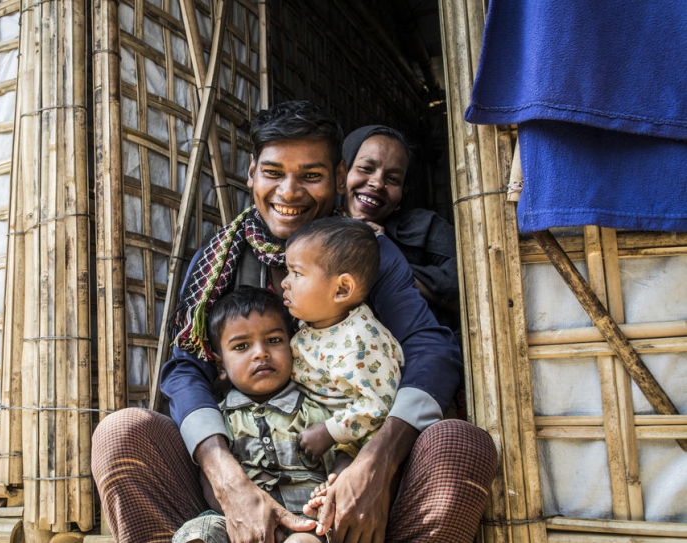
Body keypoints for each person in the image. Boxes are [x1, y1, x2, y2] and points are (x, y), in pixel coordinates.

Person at [92, 100, 497, 543]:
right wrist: (228, 481)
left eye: (311, 175)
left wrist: (376, 464)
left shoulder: (364, 254)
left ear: (340, 178)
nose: (288, 192)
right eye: (273, 173)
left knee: (461, 444)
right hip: (241, 472)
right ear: (251, 174)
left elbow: (430, 349)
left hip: (347, 484)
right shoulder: (217, 263)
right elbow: (186, 367)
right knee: (121, 434)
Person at [173, 286, 344, 543]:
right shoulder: (218, 420)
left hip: (307, 522)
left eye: (274, 340)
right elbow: (212, 480)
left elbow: (342, 459)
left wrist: (329, 493)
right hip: (239, 525)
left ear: (293, 348)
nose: (261, 353)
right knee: (200, 533)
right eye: (242, 346)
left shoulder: (315, 409)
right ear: (220, 365)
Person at [282, 217, 402, 463]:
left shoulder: (360, 341)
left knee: (349, 464)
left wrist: (330, 432)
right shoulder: (317, 321)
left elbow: (379, 404)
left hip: (354, 436)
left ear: (341, 289)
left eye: (296, 273)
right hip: (312, 423)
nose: (285, 282)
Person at [342, 125, 461, 335]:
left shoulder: (425, 227)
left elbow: (463, 286)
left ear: (402, 194)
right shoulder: (315, 231)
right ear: (341, 174)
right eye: (366, 168)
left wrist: (384, 254)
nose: (378, 183)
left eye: (393, 179)